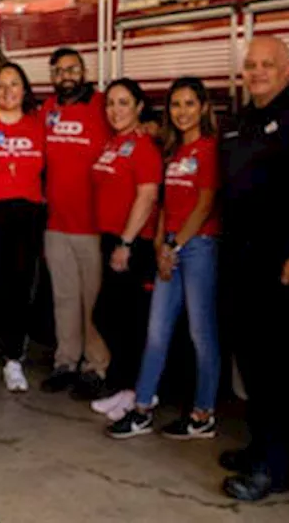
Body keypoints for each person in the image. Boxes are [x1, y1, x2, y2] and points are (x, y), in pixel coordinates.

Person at [218, 36, 289, 502]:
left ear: (288, 68)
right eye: (251, 65)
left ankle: (273, 469)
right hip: (241, 260)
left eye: (267, 64)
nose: (257, 72)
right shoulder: (240, 121)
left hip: (283, 265)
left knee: (281, 369)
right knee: (253, 363)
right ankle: (259, 446)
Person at [109, 77, 221, 442]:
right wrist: (160, 243)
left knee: (200, 334)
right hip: (170, 248)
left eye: (190, 104)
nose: (182, 112)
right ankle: (141, 410)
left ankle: (203, 414)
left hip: (198, 247)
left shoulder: (208, 149)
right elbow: (166, 205)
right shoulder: (175, 152)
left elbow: (204, 204)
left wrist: (176, 245)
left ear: (203, 107)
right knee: (156, 332)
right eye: (176, 105)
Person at [88, 78, 162, 422]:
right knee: (111, 315)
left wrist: (127, 243)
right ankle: (122, 387)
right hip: (110, 239)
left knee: (121, 318)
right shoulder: (114, 143)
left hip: (132, 243)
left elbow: (146, 196)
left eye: (123, 103)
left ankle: (134, 391)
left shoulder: (143, 145)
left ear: (139, 107)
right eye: (111, 104)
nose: (115, 110)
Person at [40, 47, 111, 400]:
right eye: (60, 70)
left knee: (93, 301)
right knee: (64, 298)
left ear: (83, 72)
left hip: (94, 224)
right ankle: (66, 361)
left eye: (73, 69)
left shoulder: (102, 105)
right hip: (57, 222)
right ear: (52, 76)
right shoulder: (47, 109)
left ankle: (95, 366)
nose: (66, 75)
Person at [0, 63, 45, 392]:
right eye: (1, 85)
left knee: (19, 285)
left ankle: (13, 358)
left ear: (24, 89)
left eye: (14, 84)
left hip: (28, 214)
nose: (7, 91)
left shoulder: (38, 125)